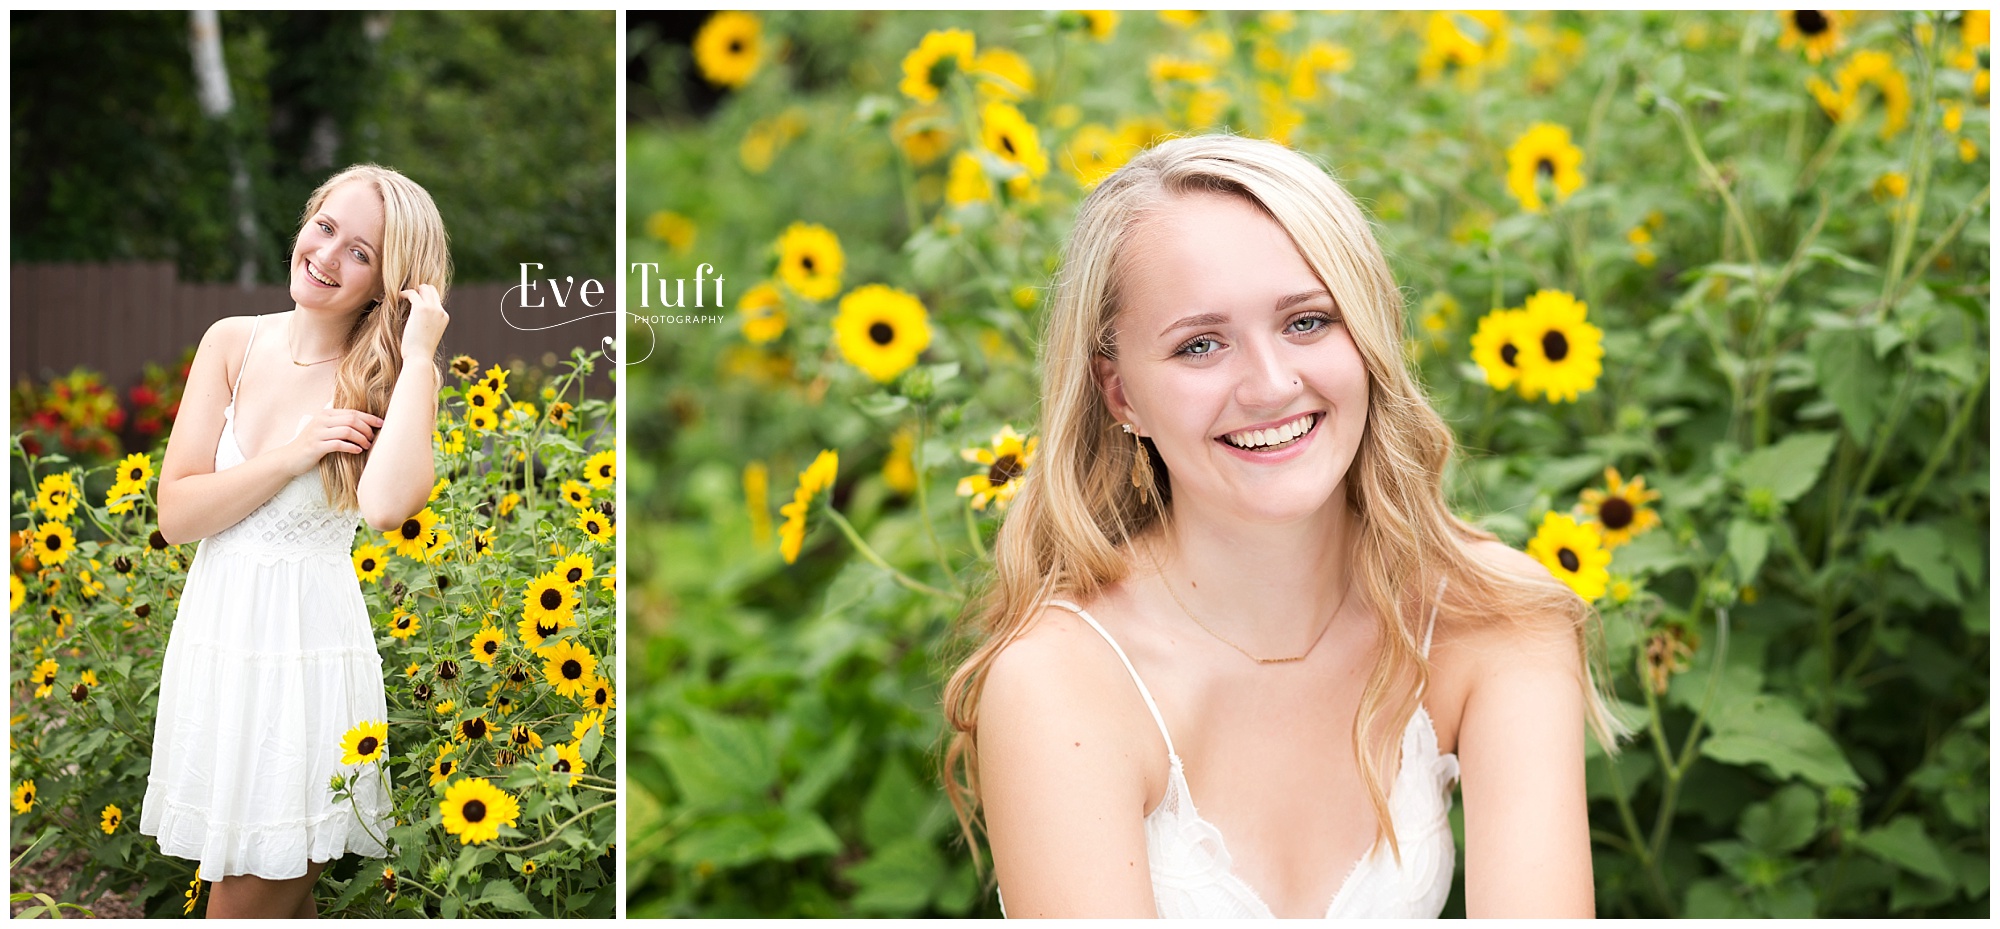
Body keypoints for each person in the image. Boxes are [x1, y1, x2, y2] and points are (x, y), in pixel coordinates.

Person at [941, 135, 1623, 918]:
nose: (1270, 385)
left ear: (1368, 336)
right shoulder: (1063, 685)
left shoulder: (1494, 616)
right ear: (1120, 393)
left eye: (1307, 322)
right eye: (1201, 344)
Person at [141, 164, 451, 918]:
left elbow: (385, 506)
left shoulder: (387, 378)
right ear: (306, 220)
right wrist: (292, 453)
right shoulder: (232, 344)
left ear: (389, 284)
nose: (326, 255)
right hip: (221, 649)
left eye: (361, 253)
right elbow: (176, 515)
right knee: (267, 899)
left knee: (245, 904)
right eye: (326, 227)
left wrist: (417, 359)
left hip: (304, 663)